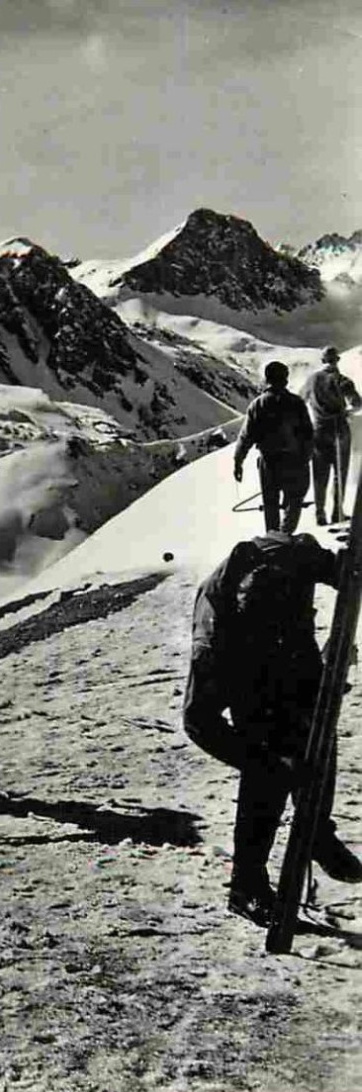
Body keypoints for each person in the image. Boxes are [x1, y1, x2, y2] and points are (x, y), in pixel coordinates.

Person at [182, 530, 362, 927]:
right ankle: (247, 887)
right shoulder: (214, 640)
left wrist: (350, 579)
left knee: (317, 724)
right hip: (248, 674)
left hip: (295, 654)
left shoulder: (293, 558)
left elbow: (343, 569)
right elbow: (198, 721)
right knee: (267, 766)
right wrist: (266, 762)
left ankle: (317, 830)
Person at [233, 361, 314, 534]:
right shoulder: (296, 403)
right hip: (294, 461)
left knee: (270, 504)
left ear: (267, 379)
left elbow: (245, 437)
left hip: (268, 462)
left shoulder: (257, 404)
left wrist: (238, 461)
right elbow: (308, 434)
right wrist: (305, 460)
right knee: (294, 500)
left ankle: (273, 541)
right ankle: (286, 535)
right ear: (285, 379)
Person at [300, 346, 360, 526]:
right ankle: (337, 512)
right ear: (337, 361)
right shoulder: (342, 380)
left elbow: (300, 400)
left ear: (322, 361)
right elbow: (357, 403)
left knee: (319, 473)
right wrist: (347, 412)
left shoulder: (312, 380)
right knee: (340, 472)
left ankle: (320, 513)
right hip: (340, 429)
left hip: (319, 430)